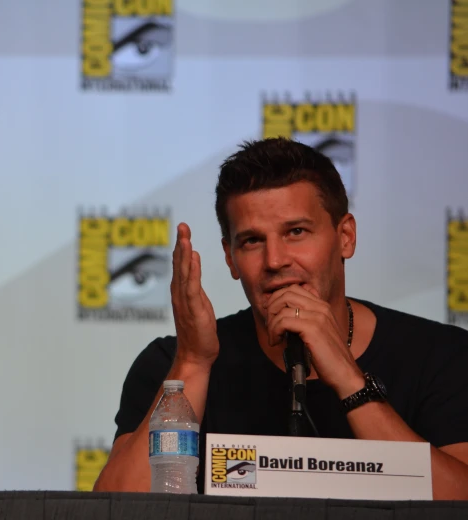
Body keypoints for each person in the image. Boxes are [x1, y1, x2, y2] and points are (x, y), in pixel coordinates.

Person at [94, 138, 468, 499]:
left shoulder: (442, 356)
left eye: (296, 232)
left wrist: (349, 378)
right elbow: (116, 507)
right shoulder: (172, 363)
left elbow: (459, 499)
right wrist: (192, 364)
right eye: (252, 241)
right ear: (230, 258)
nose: (275, 261)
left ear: (345, 237)